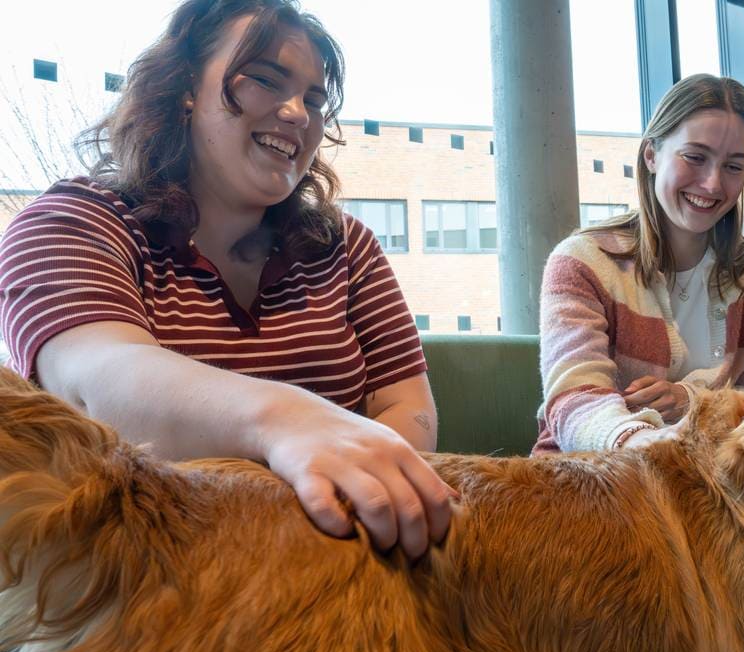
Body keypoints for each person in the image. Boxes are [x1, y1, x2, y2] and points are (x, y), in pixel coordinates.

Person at [0, 0, 453, 559]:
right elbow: (97, 380)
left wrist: (367, 509)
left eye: (315, 100)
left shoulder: (347, 245)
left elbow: (406, 407)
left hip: (344, 562)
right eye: (265, 79)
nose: (299, 114)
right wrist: (287, 420)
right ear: (185, 88)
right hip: (136, 570)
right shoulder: (71, 221)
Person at [535, 74, 744, 454]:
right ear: (651, 155)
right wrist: (646, 441)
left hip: (711, 476)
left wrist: (691, 401)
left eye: (734, 166)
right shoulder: (582, 261)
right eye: (695, 157)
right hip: (587, 473)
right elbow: (574, 399)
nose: (713, 184)